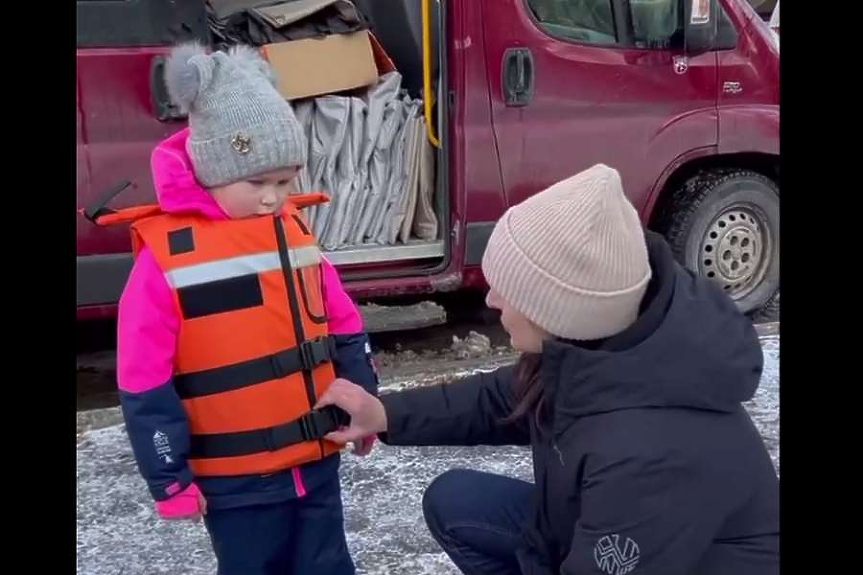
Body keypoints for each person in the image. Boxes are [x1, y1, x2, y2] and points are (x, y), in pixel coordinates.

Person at [316, 164, 780, 575]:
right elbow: (505, 398)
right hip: (594, 527)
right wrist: (385, 415)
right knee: (455, 502)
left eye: (508, 289)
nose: (491, 300)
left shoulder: (651, 454)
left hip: (669, 554)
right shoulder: (602, 345)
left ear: (558, 309)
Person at [111, 43, 378, 575]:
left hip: (316, 461)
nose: (271, 198)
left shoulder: (293, 233)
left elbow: (344, 325)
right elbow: (143, 378)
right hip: (235, 482)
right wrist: (168, 476)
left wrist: (364, 406)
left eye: (284, 181)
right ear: (212, 167)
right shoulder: (166, 260)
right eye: (255, 182)